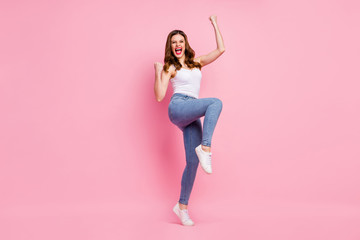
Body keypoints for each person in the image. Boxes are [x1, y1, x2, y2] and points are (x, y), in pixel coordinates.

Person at [153, 15, 225, 226]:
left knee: (192, 163)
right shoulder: (170, 67)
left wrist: (215, 24)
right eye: (174, 42)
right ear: (171, 46)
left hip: (191, 111)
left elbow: (221, 50)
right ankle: (206, 148)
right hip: (178, 107)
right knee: (215, 103)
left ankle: (181, 207)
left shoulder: (197, 62)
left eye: (180, 41)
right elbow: (159, 96)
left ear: (185, 44)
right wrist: (158, 72)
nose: (177, 45)